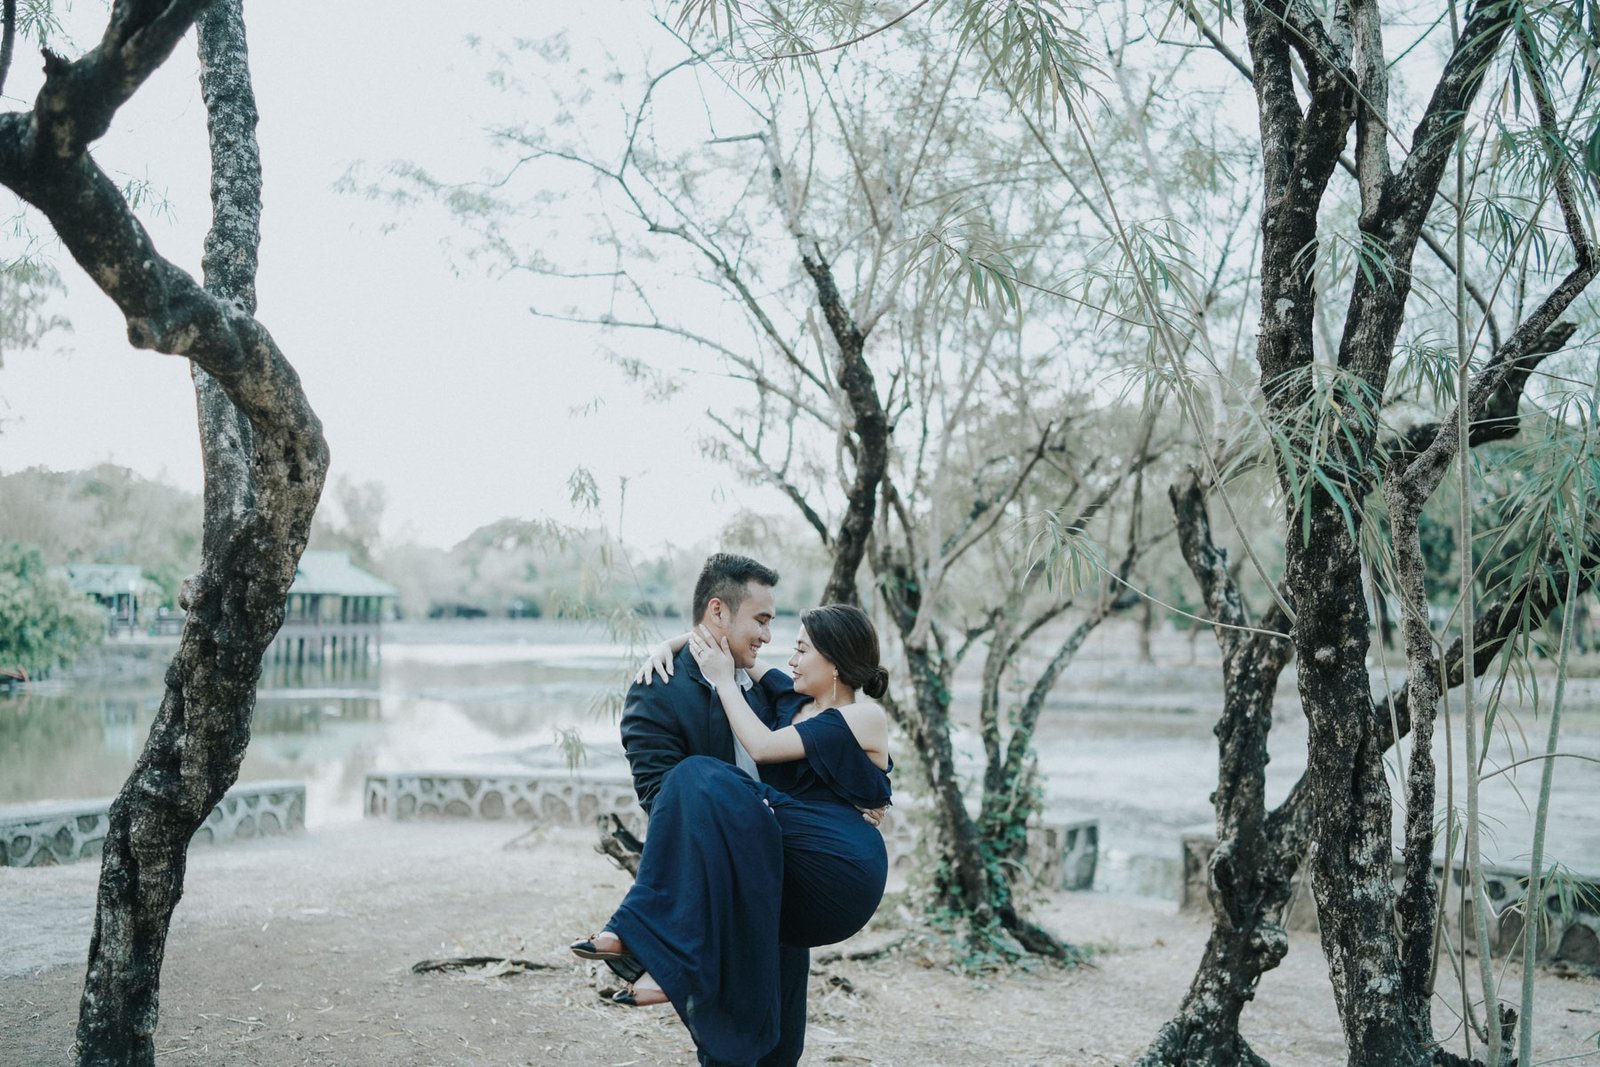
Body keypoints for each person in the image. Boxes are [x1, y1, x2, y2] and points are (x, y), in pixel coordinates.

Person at [570, 556, 891, 1067]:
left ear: (831, 660)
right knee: (730, 1043)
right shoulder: (662, 693)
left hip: (801, 874)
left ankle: (656, 955)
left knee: (783, 1045)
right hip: (738, 879)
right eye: (761, 620)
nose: (770, 638)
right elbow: (663, 799)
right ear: (718, 611)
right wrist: (673, 643)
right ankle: (658, 954)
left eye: (795, 642)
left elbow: (801, 753)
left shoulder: (779, 694)